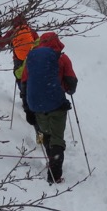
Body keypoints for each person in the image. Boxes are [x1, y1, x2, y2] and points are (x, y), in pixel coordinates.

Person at [21, 32, 78, 184]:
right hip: (56, 104)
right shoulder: (62, 58)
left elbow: (24, 83)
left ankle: (51, 160)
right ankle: (54, 175)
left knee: (46, 135)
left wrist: (27, 108)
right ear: (57, 42)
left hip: (37, 106)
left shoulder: (32, 59)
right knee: (57, 139)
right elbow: (71, 86)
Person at [0, 14, 39, 129]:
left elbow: (0, 44)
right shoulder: (31, 31)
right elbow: (38, 43)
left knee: (20, 77)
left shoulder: (12, 32)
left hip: (18, 60)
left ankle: (25, 96)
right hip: (31, 59)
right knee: (30, 78)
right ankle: (31, 96)